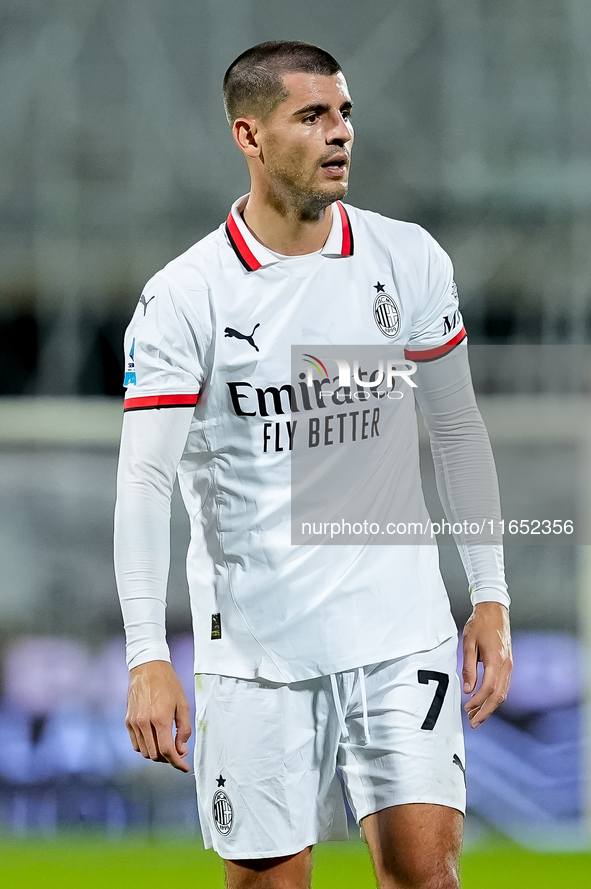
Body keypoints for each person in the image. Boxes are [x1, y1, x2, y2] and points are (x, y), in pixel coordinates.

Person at [114, 41, 512, 889]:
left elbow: (455, 426)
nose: (340, 134)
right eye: (313, 116)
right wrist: (148, 654)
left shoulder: (405, 258)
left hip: (400, 635)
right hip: (258, 652)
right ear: (248, 136)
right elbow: (144, 482)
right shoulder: (187, 295)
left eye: (345, 114)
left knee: (425, 878)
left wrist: (490, 593)